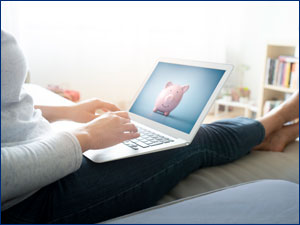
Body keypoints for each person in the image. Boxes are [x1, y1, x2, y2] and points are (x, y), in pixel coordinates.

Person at [1, 29, 299, 223]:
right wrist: (86, 137)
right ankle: (279, 118)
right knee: (193, 139)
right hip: (32, 199)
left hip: (46, 156)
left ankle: (274, 128)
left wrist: (67, 111)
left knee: (161, 131)